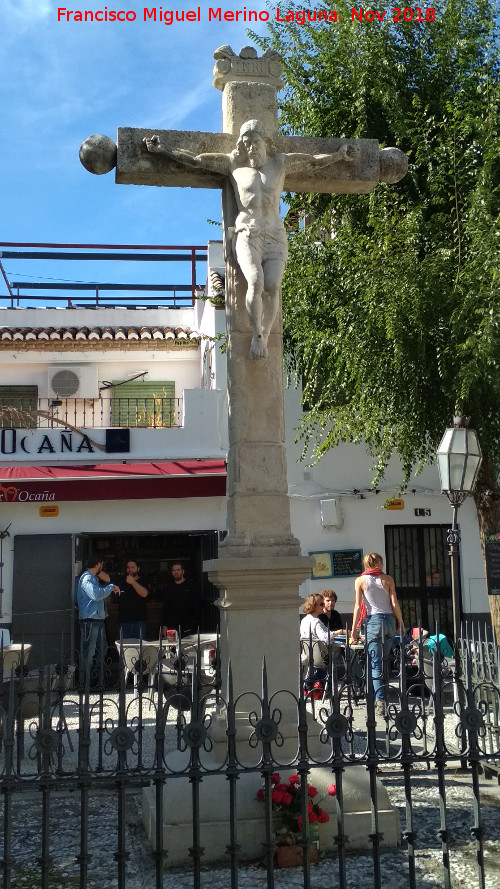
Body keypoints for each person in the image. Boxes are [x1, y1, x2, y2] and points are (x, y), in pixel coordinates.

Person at [144, 120, 353, 359]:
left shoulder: (280, 163)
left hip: (275, 235)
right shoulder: (233, 164)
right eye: (247, 143)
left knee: (273, 285)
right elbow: (196, 160)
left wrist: (338, 155)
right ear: (241, 146)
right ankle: (258, 335)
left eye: (256, 142)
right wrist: (164, 151)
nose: (252, 147)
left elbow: (312, 162)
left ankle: (265, 331)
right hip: (247, 234)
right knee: (255, 280)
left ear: (265, 142)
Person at [350, 553, 404, 716]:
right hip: (389, 621)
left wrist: (353, 631)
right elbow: (394, 603)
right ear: (379, 563)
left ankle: (379, 700)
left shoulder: (360, 580)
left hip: (373, 621)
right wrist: (401, 623)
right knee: (383, 660)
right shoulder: (388, 579)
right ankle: (382, 695)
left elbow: (358, 607)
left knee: (375, 663)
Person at [76, 553, 120, 678]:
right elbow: (96, 595)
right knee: (89, 652)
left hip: (97, 619)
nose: (102, 566)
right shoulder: (87, 578)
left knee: (101, 649)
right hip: (89, 620)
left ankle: (97, 679)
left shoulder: (92, 578)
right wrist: (111, 587)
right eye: (101, 563)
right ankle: (86, 682)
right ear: (98, 564)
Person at [300, 593, 331, 696]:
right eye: (321, 604)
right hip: (321, 658)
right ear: (314, 606)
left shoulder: (304, 620)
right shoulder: (316, 621)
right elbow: (326, 638)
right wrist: (340, 632)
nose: (324, 606)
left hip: (309, 656)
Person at [114, 559, 149, 640]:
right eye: (128, 567)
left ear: (138, 569)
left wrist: (133, 582)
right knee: (123, 650)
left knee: (140, 649)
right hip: (123, 621)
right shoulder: (121, 581)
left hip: (139, 621)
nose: (130, 569)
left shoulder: (143, 580)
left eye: (132, 567)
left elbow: (145, 594)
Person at [161, 562, 197, 638]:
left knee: (187, 648)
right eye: (174, 570)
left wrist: (193, 623)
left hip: (187, 626)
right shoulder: (168, 588)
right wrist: (164, 625)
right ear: (172, 572)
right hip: (172, 626)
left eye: (178, 570)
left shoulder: (191, 586)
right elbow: (165, 608)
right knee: (172, 648)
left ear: (183, 571)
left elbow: (196, 605)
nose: (176, 572)